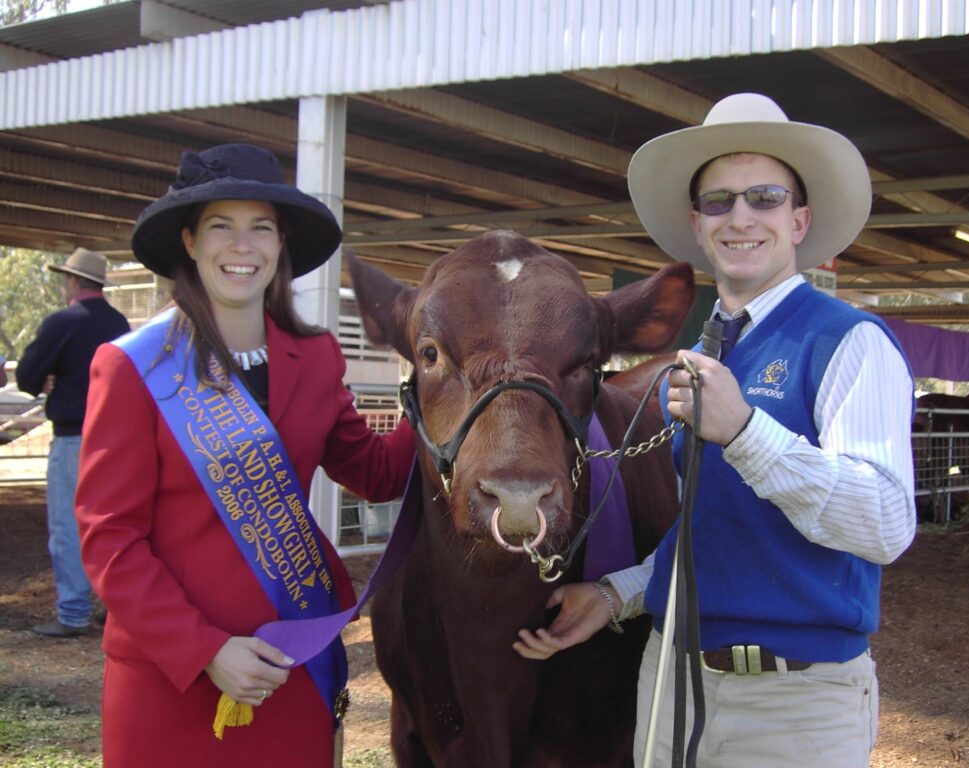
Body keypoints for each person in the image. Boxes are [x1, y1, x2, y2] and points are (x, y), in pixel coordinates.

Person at [514, 93, 916, 767]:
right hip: (672, 679)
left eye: (764, 197)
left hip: (795, 704)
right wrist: (620, 594)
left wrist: (747, 432)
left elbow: (885, 523)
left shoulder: (848, 342)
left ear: (799, 219)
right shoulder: (712, 349)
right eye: (720, 201)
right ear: (697, 224)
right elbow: (714, 527)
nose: (742, 218)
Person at [74, 143, 416, 767]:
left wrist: (440, 386)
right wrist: (204, 649)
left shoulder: (314, 359)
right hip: (170, 678)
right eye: (221, 227)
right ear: (190, 241)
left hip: (288, 669)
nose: (242, 246)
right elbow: (110, 541)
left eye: (261, 227)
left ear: (281, 244)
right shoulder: (133, 367)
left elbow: (377, 471)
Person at [16, 248, 130, 637]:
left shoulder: (63, 321)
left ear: (74, 282)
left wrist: (49, 381)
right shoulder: (119, 323)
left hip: (74, 436)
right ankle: (113, 606)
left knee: (68, 524)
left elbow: (28, 376)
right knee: (115, 523)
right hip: (119, 440)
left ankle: (74, 611)